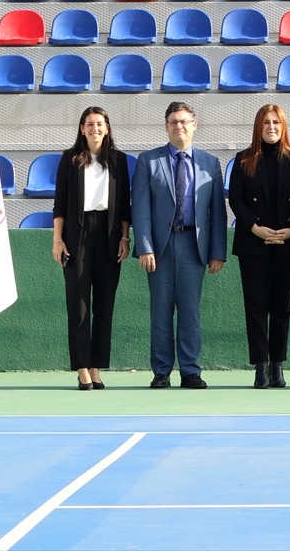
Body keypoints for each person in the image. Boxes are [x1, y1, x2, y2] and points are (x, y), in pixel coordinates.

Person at [132, 101, 226, 390]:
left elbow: (217, 213)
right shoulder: (148, 160)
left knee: (190, 311)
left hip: (194, 245)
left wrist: (217, 252)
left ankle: (190, 371)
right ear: (166, 126)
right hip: (160, 246)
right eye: (173, 121)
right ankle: (161, 371)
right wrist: (144, 245)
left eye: (184, 121)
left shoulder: (210, 163)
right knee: (160, 311)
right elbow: (141, 207)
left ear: (194, 125)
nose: (179, 126)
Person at [52, 107, 131, 391]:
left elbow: (124, 205)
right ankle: (82, 368)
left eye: (100, 124)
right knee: (79, 305)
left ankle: (97, 366)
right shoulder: (70, 160)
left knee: (104, 305)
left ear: (107, 128)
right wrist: (58, 240)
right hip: (77, 234)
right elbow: (59, 203)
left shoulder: (119, 160)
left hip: (109, 236)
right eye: (89, 124)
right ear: (82, 128)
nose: (95, 128)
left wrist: (125, 238)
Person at [229, 104, 290, 389]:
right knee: (256, 306)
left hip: (288, 242)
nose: (271, 127)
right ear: (258, 127)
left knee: (282, 307)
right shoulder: (243, 160)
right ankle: (260, 366)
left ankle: (278, 365)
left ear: (283, 125)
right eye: (266, 123)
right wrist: (254, 227)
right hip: (253, 243)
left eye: (276, 122)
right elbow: (235, 199)